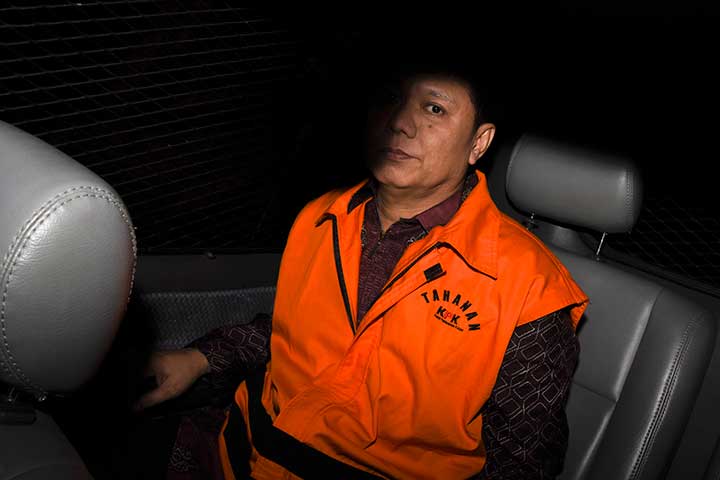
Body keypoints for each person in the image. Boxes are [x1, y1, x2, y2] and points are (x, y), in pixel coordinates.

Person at [136, 57, 589, 479]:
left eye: (434, 108)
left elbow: (524, 460)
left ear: (479, 143)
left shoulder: (529, 285)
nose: (400, 123)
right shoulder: (320, 215)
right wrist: (200, 358)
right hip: (232, 448)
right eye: (391, 99)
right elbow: (292, 332)